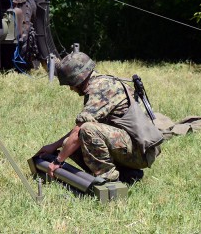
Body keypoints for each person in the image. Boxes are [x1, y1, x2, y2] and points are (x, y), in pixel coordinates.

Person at [34, 51, 163, 184]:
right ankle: (128, 174)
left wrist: (57, 161)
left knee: (86, 130)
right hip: (134, 146)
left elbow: (80, 130)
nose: (71, 88)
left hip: (140, 152)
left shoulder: (101, 88)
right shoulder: (101, 82)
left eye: (70, 84)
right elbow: (76, 135)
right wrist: (54, 146)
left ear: (77, 79)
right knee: (70, 142)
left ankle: (110, 181)